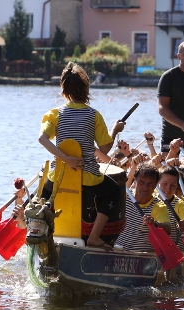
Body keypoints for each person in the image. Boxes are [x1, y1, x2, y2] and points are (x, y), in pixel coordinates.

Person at [37, 62, 125, 249]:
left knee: (44, 191)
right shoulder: (94, 115)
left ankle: (40, 232)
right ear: (86, 88)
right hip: (88, 178)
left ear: (63, 88)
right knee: (114, 191)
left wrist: (66, 159)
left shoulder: (54, 114)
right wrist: (115, 130)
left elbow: (42, 139)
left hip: (59, 177)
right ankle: (94, 237)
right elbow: (105, 149)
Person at [116, 163, 171, 252]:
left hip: (143, 256)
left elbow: (168, 229)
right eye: (142, 182)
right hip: (119, 252)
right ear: (135, 180)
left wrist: (155, 224)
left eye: (150, 184)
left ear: (156, 184)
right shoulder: (124, 195)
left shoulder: (159, 206)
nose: (145, 187)